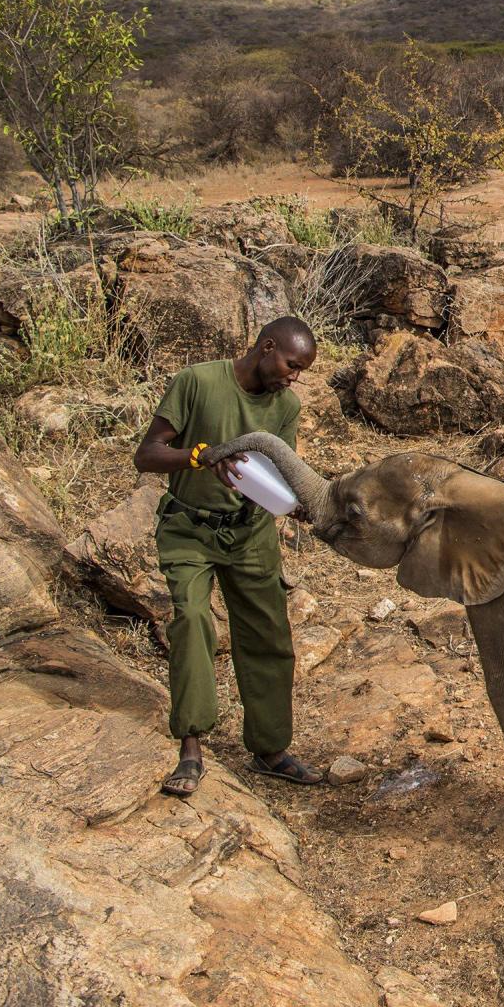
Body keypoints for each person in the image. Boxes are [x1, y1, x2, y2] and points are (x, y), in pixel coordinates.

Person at [134, 317, 321, 797]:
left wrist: (295, 505)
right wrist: (200, 457)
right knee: (193, 621)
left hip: (251, 534)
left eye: (300, 371)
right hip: (189, 529)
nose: (293, 376)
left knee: (269, 636)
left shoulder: (286, 405)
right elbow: (148, 454)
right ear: (267, 347)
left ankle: (270, 749)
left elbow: (280, 469)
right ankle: (191, 747)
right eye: (291, 365)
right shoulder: (196, 382)